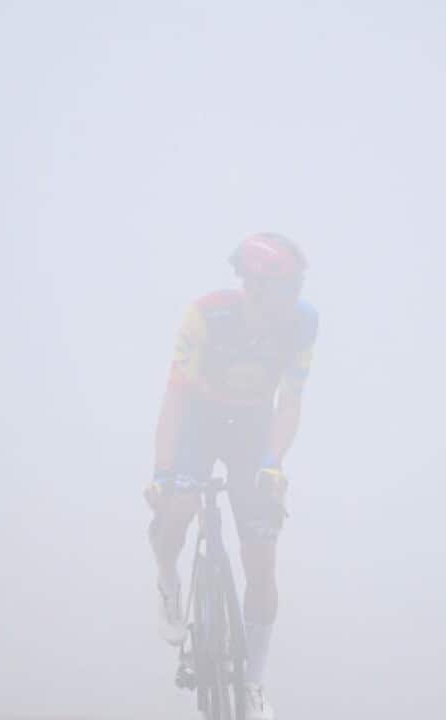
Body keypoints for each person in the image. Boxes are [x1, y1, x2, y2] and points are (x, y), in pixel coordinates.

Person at [145, 232, 318, 720]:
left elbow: (291, 401)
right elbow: (176, 397)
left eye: (298, 285)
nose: (295, 297)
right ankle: (167, 578)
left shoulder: (303, 323)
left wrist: (273, 462)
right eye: (288, 286)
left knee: (261, 559)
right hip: (199, 422)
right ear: (256, 286)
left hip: (253, 429)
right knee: (176, 509)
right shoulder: (205, 316)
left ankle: (253, 682)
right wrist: (162, 472)